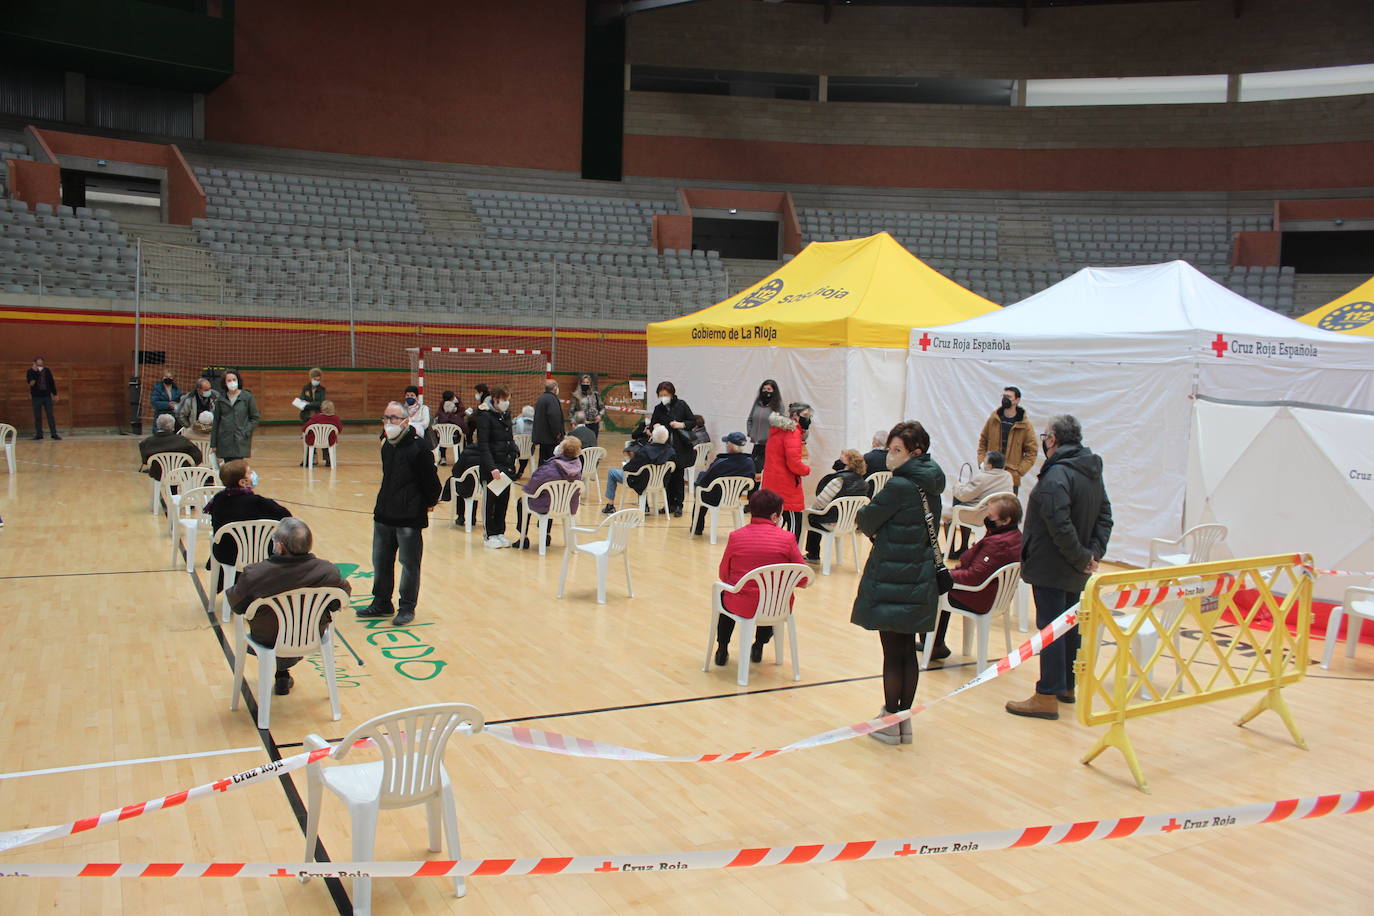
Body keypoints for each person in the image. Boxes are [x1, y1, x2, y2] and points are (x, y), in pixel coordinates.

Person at [1006, 415, 1113, 720]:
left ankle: (1047, 694)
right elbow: (1105, 516)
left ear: (1052, 439)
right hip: (1074, 567)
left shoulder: (1057, 475)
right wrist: (1093, 554)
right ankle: (1066, 686)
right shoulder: (1090, 471)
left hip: (1054, 565)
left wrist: (1082, 556)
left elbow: (1059, 524)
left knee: (1052, 630)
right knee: (1069, 626)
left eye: (1044, 436)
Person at [850, 421, 945, 746]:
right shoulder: (931, 482)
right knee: (907, 652)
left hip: (894, 576)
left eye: (896, 451)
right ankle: (902, 722)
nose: (890, 456)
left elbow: (866, 519)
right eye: (889, 449)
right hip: (920, 577)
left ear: (914, 453)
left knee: (893, 653)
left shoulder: (900, 486)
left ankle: (890, 720)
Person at [227, 518, 351, 696]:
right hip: (312, 635)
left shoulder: (256, 573)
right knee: (292, 621)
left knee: (269, 620)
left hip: (268, 638)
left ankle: (281, 672)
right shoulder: (328, 571)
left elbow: (237, 606)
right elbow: (338, 602)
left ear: (280, 546)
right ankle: (282, 674)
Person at [358, 401, 441, 627]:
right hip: (384, 513)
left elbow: (432, 483)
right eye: (385, 417)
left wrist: (428, 502)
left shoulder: (419, 447)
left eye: (393, 418)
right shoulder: (387, 445)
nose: (388, 422)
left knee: (409, 564)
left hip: (409, 517)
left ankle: (407, 607)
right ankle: (382, 601)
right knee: (381, 560)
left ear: (405, 421)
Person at [711, 488, 812, 668]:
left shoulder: (736, 536)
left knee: (724, 594)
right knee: (772, 598)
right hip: (776, 606)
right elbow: (803, 576)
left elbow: (723, 574)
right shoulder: (788, 539)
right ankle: (758, 645)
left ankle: (722, 647)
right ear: (775, 516)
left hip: (741, 604)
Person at [923, 493, 1024, 663]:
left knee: (934, 587)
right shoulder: (1014, 537)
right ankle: (935, 644)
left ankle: (932, 644)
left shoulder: (998, 543)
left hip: (980, 596)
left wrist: (946, 574)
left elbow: (974, 576)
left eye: (991, 516)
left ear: (1005, 520)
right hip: (995, 595)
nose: (987, 519)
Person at [206, 459, 292, 593]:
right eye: (250, 472)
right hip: (261, 552)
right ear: (242, 482)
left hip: (226, 553)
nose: (253, 474)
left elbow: (216, 526)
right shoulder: (259, 502)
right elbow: (286, 516)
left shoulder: (218, 500)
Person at [514, 436, 583, 549]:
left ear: (561, 450)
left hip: (547, 505)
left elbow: (530, 488)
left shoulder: (549, 468)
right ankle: (547, 535)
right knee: (553, 498)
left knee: (523, 502)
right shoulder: (577, 468)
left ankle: (523, 537)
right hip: (567, 506)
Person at [802, 449, 868, 563]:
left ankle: (813, 554)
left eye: (842, 456)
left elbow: (820, 502)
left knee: (811, 516)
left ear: (848, 461)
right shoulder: (864, 483)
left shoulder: (839, 480)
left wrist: (812, 510)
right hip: (850, 523)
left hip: (831, 521)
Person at [945, 450, 1015, 557]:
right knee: (964, 507)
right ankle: (963, 547)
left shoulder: (983, 477)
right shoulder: (1008, 476)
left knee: (947, 514)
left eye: (984, 461)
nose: (982, 463)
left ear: (989, 466)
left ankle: (950, 551)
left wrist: (957, 485)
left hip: (979, 515)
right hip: (997, 516)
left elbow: (963, 495)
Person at [475, 385, 519, 548]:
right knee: (490, 502)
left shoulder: (506, 415)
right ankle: (489, 535)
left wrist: (514, 451)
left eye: (508, 400)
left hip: (506, 464)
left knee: (503, 501)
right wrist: (492, 468)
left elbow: (509, 437)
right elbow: (483, 444)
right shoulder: (485, 416)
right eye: (504, 400)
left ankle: (500, 532)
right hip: (492, 466)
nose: (506, 403)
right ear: (495, 399)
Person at [761, 401, 813, 538]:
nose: (808, 419)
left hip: (772, 483)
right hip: (786, 485)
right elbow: (794, 463)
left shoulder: (777, 431)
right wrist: (806, 469)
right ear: (795, 415)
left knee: (772, 523)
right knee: (795, 522)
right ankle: (791, 556)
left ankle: (772, 552)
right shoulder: (793, 432)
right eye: (805, 415)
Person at [690, 431, 756, 535]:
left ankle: (697, 528)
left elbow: (706, 481)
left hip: (715, 498)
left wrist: (698, 482)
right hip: (735, 499)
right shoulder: (749, 462)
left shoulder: (721, 462)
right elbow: (749, 483)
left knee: (700, 490)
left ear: (730, 446)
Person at [601, 424, 673, 514]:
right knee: (644, 473)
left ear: (652, 436)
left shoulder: (645, 451)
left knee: (612, 472)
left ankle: (610, 505)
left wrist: (626, 465)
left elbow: (629, 468)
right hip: (660, 482)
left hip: (640, 482)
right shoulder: (671, 451)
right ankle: (645, 506)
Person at [977, 386, 1037, 492]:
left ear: (1017, 400)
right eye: (1003, 396)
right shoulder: (994, 419)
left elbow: (1032, 451)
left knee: (1007, 508)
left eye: (1008, 396)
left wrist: (1018, 471)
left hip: (1010, 479)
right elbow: (983, 441)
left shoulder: (1025, 425)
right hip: (990, 474)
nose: (1005, 399)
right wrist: (982, 463)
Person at [649, 381, 695, 517]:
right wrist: (655, 426)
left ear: (672, 393)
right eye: (660, 395)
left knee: (679, 476)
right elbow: (652, 424)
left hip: (680, 446)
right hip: (665, 447)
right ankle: (668, 504)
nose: (663, 397)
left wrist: (681, 424)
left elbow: (692, 421)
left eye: (665, 394)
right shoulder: (658, 408)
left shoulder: (681, 405)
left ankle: (679, 504)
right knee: (667, 476)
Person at [211, 370, 259, 462]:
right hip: (224, 440)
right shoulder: (220, 399)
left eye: (234, 379)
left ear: (238, 380)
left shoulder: (247, 397)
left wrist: (245, 432)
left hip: (240, 440)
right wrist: (213, 444)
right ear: (224, 383)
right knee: (228, 469)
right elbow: (216, 422)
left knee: (238, 467)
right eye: (229, 380)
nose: (232, 382)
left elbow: (255, 418)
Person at [138, 413, 203, 477]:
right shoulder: (182, 440)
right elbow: (197, 457)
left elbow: (145, 461)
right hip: (180, 473)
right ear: (173, 427)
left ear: (157, 425)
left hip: (158, 474)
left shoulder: (147, 442)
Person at [746, 379, 782, 474]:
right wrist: (750, 432)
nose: (766, 391)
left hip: (769, 445)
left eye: (769, 389)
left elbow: (780, 425)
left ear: (774, 391)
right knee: (752, 469)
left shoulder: (778, 405)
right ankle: (753, 489)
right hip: (757, 443)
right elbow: (750, 419)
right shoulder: (757, 403)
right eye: (764, 388)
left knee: (761, 471)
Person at [532, 379, 564, 468]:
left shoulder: (542, 398)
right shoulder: (552, 399)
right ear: (555, 388)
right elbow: (554, 416)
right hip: (551, 438)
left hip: (543, 438)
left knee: (543, 461)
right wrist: (557, 432)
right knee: (552, 462)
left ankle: (541, 479)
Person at [26, 356, 60, 440]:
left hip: (47, 396)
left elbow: (51, 382)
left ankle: (54, 433)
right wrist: (36, 372)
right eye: (38, 361)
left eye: (41, 361)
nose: (40, 362)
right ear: (35, 362)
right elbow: (31, 383)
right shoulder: (30, 371)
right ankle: (39, 434)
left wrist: (55, 394)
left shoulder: (47, 370)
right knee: (37, 416)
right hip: (36, 397)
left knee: (50, 415)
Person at [301, 399, 342, 467]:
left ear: (322, 408)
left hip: (314, 441)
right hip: (330, 441)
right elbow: (339, 429)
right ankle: (328, 459)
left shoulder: (316, 417)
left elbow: (304, 428)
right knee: (328, 437)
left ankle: (309, 460)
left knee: (309, 438)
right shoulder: (336, 418)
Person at [433, 390, 464, 466]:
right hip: (454, 437)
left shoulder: (441, 410)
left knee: (440, 436)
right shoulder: (458, 410)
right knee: (461, 436)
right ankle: (459, 458)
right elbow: (462, 416)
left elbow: (436, 416)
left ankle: (443, 458)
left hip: (442, 438)